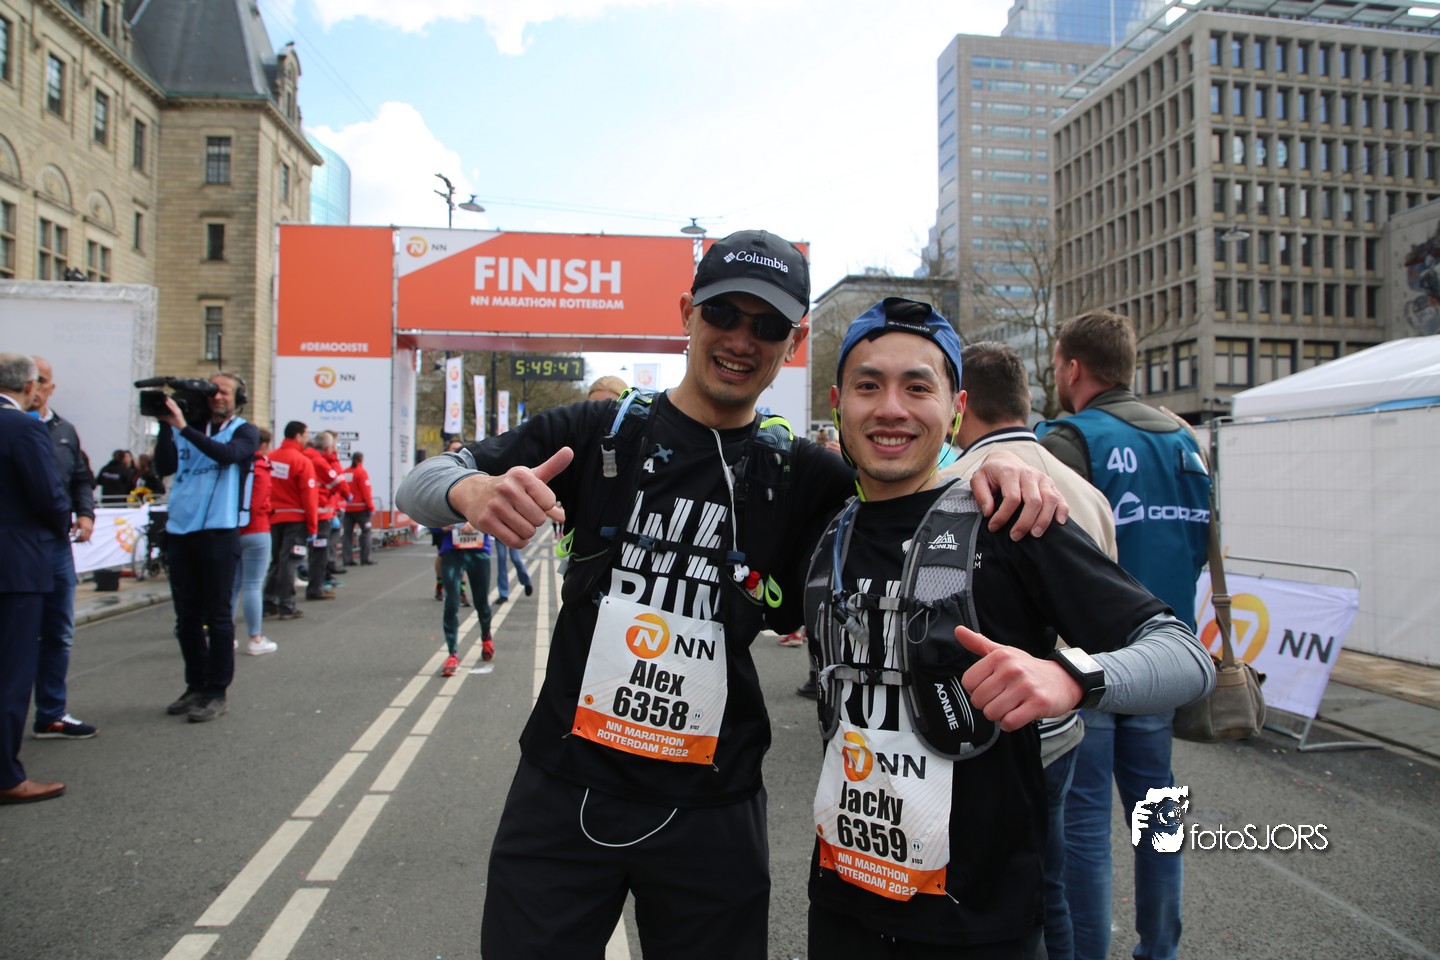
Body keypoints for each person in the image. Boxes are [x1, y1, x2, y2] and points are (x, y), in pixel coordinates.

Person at [397, 229, 1066, 958]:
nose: (742, 340)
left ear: (794, 341)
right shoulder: (600, 432)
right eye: (723, 313)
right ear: (687, 313)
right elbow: (421, 483)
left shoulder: (804, 475)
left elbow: (910, 480)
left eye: (768, 325)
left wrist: (996, 468)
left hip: (711, 814)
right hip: (564, 791)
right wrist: (468, 489)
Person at [803, 298, 1213, 959]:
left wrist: (1071, 677)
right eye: (868, 386)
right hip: (843, 903)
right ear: (838, 402)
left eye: (918, 387)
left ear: (956, 410)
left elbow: (1186, 657)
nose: (891, 408)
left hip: (979, 925)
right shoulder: (829, 530)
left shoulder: (1008, 518)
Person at [1036, 310, 1212, 960]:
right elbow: (1201, 545)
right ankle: (1160, 948)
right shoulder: (1186, 442)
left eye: (1058, 364)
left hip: (1092, 660)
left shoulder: (1069, 440)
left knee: (1085, 823)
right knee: (1158, 815)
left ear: (1073, 367)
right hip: (1166, 655)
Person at [943, 341, 1117, 960]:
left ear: (961, 406)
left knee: (984, 891)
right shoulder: (1086, 491)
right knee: (1056, 876)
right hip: (1068, 716)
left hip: (984, 728)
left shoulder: (953, 487)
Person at [153, 371, 260, 723]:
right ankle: (195, 685)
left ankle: (216, 691)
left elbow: (228, 455)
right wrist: (167, 426)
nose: (217, 396)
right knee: (186, 619)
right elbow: (164, 466)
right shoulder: (185, 428)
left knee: (218, 616)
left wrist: (184, 428)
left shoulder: (243, 431)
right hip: (181, 531)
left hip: (219, 532)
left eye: (224, 391)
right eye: (212, 391)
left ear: (238, 398)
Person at [0, 354, 71, 803]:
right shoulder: (23, 427)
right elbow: (49, 495)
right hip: (16, 566)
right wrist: (62, 524)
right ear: (30, 387)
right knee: (11, 674)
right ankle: (7, 776)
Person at [28, 355, 100, 740]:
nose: (35, 386)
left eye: (42, 380)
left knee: (59, 632)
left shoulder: (64, 431)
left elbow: (81, 479)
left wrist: (85, 514)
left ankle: (51, 713)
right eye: (31, 379)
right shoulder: (10, 425)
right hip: (18, 544)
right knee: (15, 634)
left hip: (56, 546)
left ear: (51, 387)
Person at [264, 421, 318, 621]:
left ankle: (269, 603)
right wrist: (312, 526)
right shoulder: (301, 461)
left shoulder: (271, 458)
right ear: (297, 436)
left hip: (273, 517)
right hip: (296, 519)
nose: (307, 439)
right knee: (289, 561)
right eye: (306, 435)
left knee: (277, 560)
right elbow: (309, 497)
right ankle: (287, 605)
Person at [431, 522, 494, 676]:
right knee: (451, 603)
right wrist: (441, 527)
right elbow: (428, 519)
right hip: (451, 552)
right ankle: (452, 654)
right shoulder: (442, 502)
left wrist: (477, 524)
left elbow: (496, 517)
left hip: (478, 551)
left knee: (481, 603)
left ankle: (486, 637)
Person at [234, 427, 276, 656]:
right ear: (264, 444)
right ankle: (255, 638)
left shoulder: (235, 465)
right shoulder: (262, 467)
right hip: (257, 528)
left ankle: (227, 635)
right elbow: (259, 502)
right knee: (252, 585)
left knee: (232, 587)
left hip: (233, 530)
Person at [302, 431, 346, 600]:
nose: (335, 449)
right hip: (321, 514)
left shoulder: (307, 457)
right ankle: (315, 588)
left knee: (315, 553)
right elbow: (337, 482)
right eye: (334, 446)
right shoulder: (319, 461)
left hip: (316, 512)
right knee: (319, 553)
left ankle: (317, 584)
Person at [342, 451, 377, 566]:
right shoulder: (361, 472)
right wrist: (371, 507)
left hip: (348, 508)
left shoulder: (345, 472)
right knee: (366, 532)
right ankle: (365, 558)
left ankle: (347, 559)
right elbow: (366, 491)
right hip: (361, 508)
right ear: (361, 460)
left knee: (347, 534)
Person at [491, 537, 533, 606]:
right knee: (501, 560)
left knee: (515, 558)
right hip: (499, 536)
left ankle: (526, 581)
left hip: (515, 534)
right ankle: (503, 594)